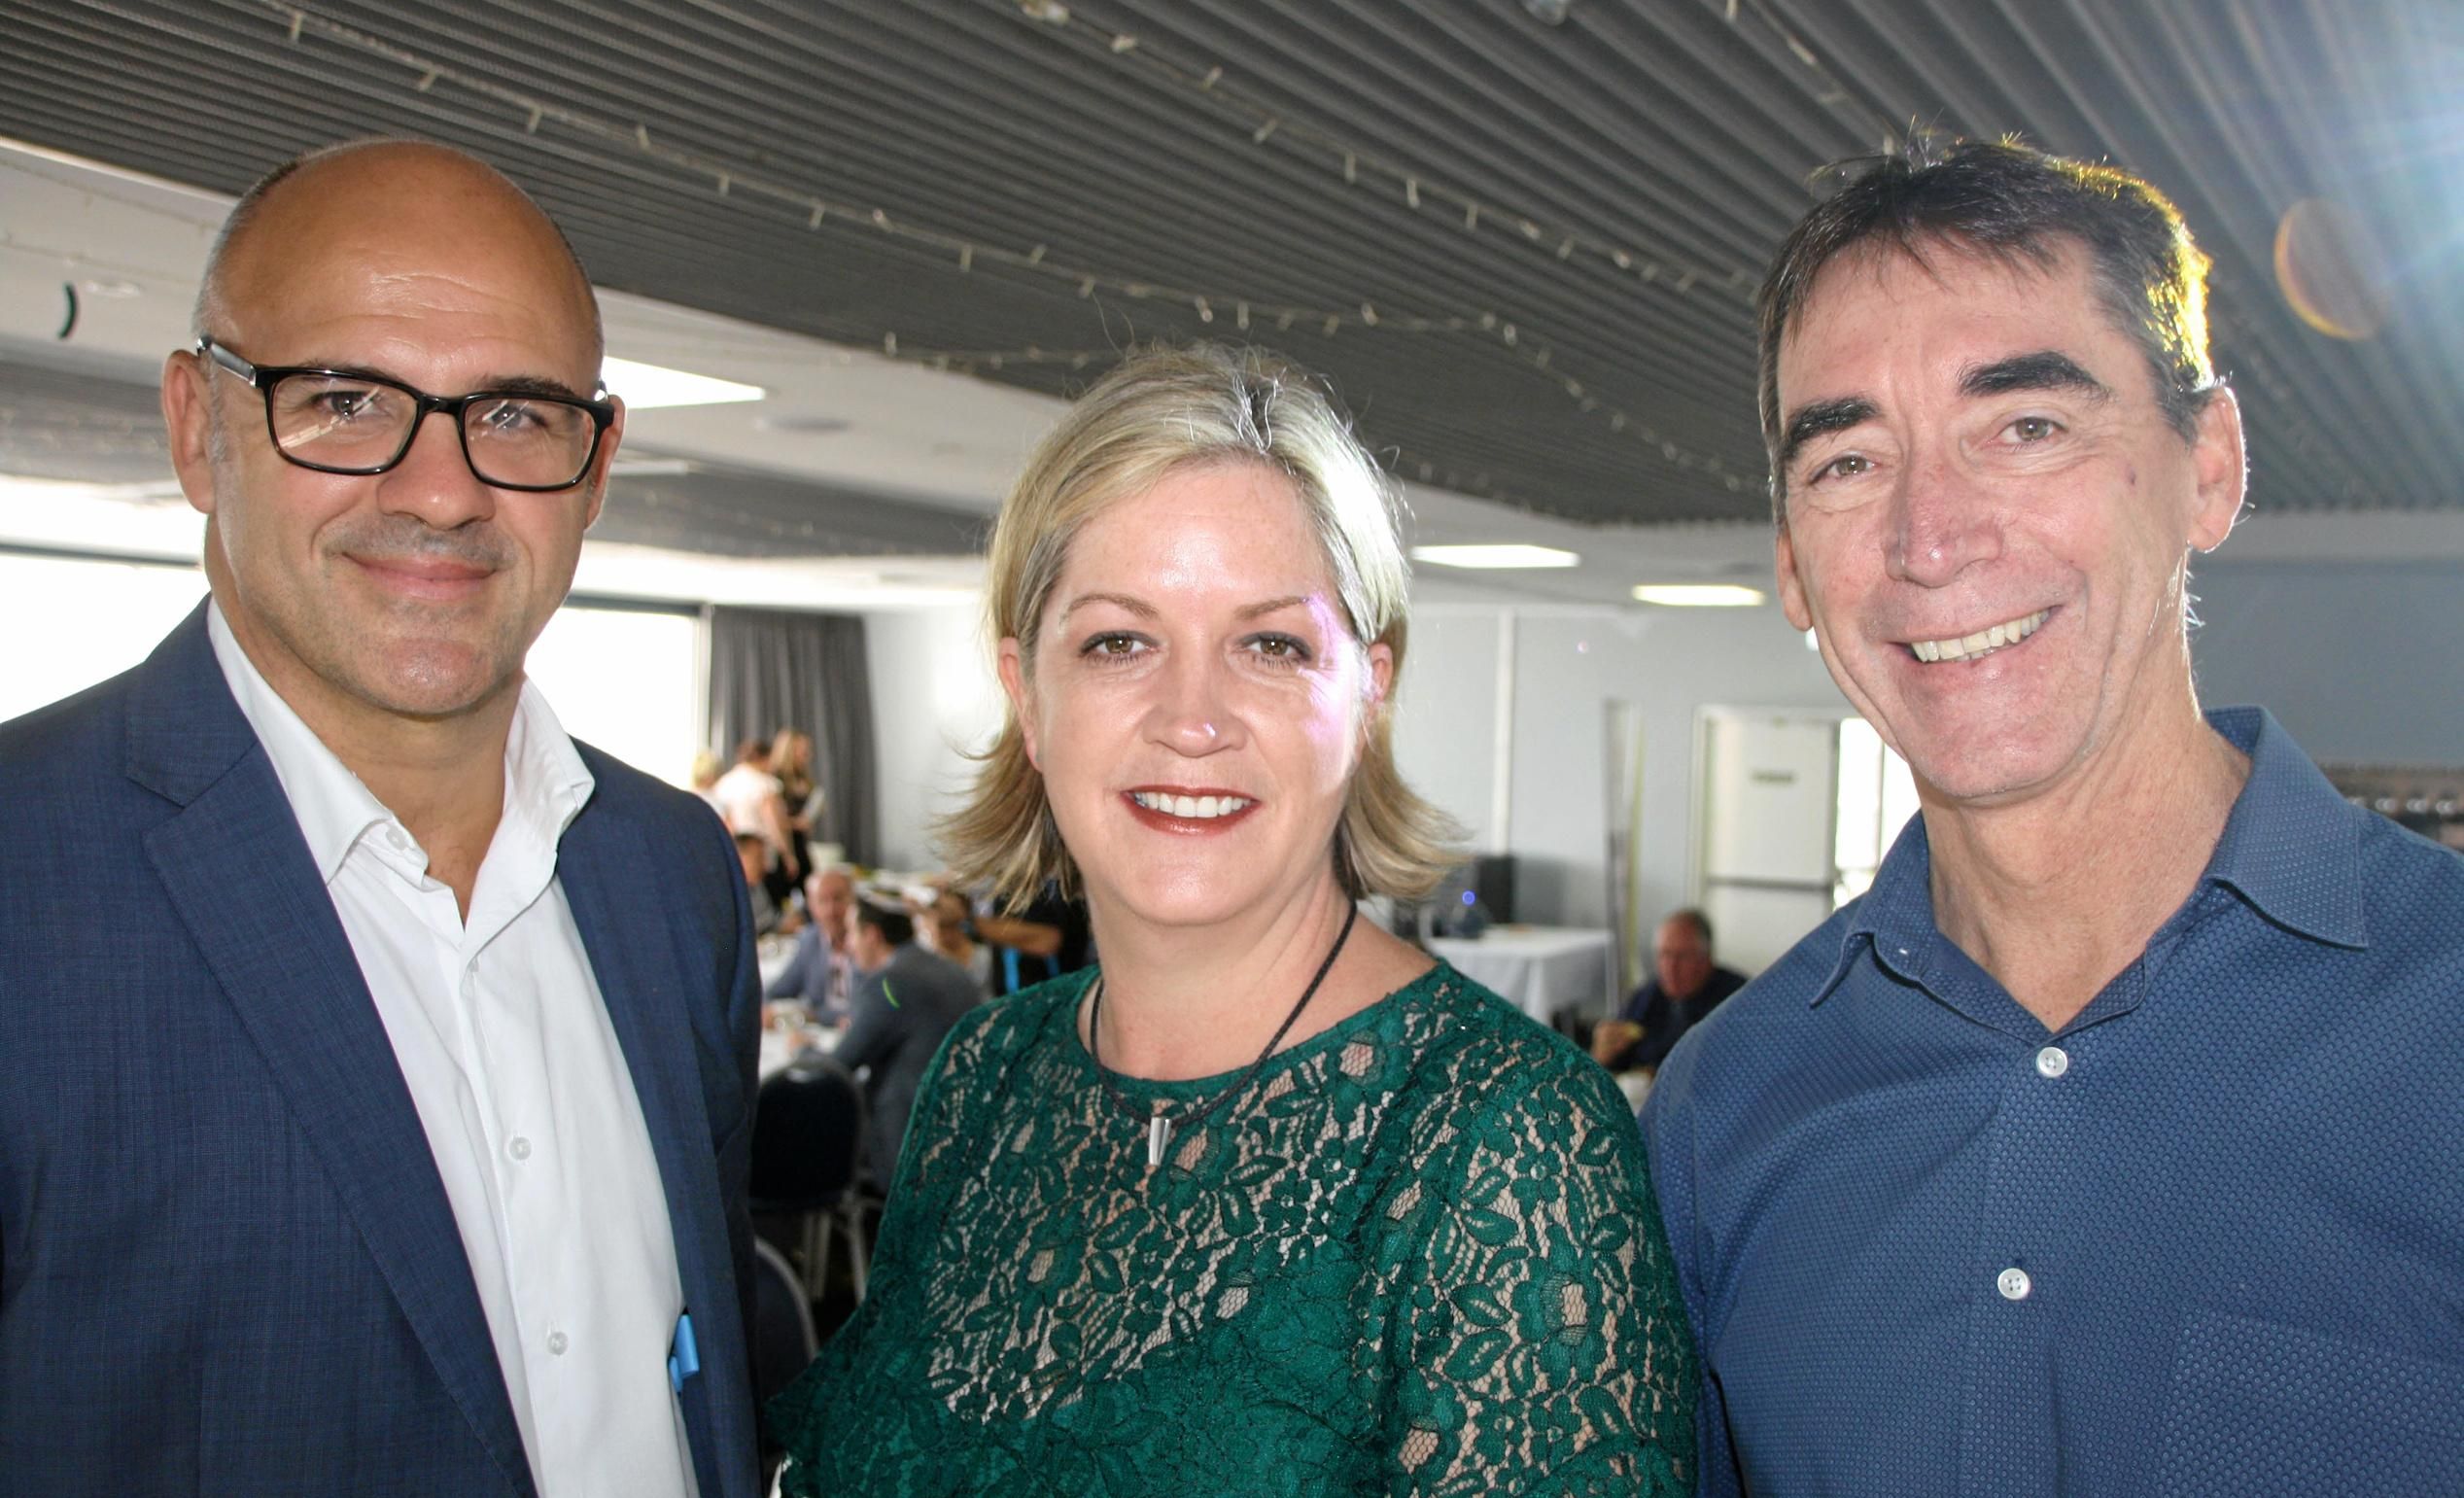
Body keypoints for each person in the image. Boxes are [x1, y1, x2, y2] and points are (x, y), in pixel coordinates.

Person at [1644, 138, 2464, 1495]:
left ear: (2207, 466)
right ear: (1790, 563)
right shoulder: (1722, 1111)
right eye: (1847, 460)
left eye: (2022, 427)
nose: (1926, 537)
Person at [768, 344, 1693, 1494]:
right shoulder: (986, 1078)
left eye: (1270, 644)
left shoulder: (1506, 1145)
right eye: (1119, 640)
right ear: (1027, 693)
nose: (1190, 717)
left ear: (1369, 694)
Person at [0, 141, 762, 1495]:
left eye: (518, 413)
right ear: (194, 426)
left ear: (596, 465)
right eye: (346, 400)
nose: (441, 490)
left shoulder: (674, 871)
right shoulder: (23, 872)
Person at [835, 891, 984, 1190]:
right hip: (964, 1135)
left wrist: (802, 1048)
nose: (849, 946)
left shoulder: (889, 982)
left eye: (851, 933)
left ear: (873, 935)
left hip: (904, 1140)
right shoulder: (951, 969)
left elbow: (839, 1064)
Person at [1590, 909, 1745, 1075]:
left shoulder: (1737, 1001)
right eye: (1664, 954)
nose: (1671, 967)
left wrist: (1659, 1076)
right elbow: (1607, 1066)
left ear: (1705, 959)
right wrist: (1600, 1055)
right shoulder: (1648, 996)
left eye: (1682, 957)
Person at [766, 864, 855, 1020]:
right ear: (811, 907)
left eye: (838, 898)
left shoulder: (870, 943)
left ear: (853, 901)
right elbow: (777, 991)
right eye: (822, 901)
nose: (831, 910)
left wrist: (814, 1016)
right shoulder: (809, 940)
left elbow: (870, 1011)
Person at [711, 737, 797, 888]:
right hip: (760, 850)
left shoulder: (724, 783)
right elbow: (773, 821)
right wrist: (787, 854)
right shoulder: (765, 784)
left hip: (734, 848)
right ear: (763, 758)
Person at [914, 885, 995, 995]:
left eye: (948, 926)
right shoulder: (921, 964)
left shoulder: (986, 957)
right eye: (938, 927)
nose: (940, 933)